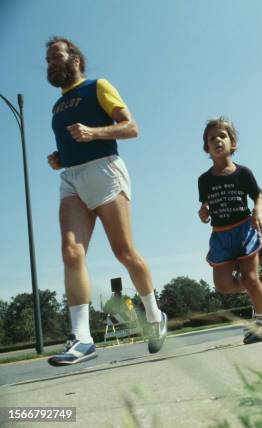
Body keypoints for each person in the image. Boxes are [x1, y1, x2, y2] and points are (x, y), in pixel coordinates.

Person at [45, 36, 167, 365]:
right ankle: (82, 338)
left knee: (124, 252)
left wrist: (94, 133)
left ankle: (155, 316)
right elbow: (74, 142)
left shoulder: (98, 86)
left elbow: (131, 128)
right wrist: (60, 157)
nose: (51, 63)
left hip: (106, 172)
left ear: (76, 60)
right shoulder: (56, 107)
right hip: (72, 177)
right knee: (71, 252)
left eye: (56, 55)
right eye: (48, 60)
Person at [197, 117, 262, 344]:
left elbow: (259, 197)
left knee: (250, 277)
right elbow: (206, 202)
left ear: (233, 143)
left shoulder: (243, 173)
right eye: (212, 138)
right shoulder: (204, 180)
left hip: (244, 230)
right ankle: (257, 292)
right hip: (220, 235)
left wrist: (258, 212)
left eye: (222, 136)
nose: (217, 140)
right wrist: (204, 210)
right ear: (207, 148)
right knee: (222, 285)